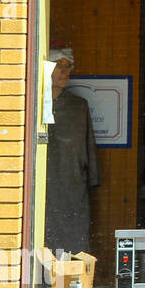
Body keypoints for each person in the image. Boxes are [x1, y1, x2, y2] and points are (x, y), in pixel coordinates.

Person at [44, 45, 99, 255]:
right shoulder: (32, 104)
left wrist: (92, 178)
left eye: (68, 67)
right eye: (59, 66)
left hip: (72, 184)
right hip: (42, 186)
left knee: (72, 240)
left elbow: (89, 147)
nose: (64, 72)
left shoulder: (78, 106)